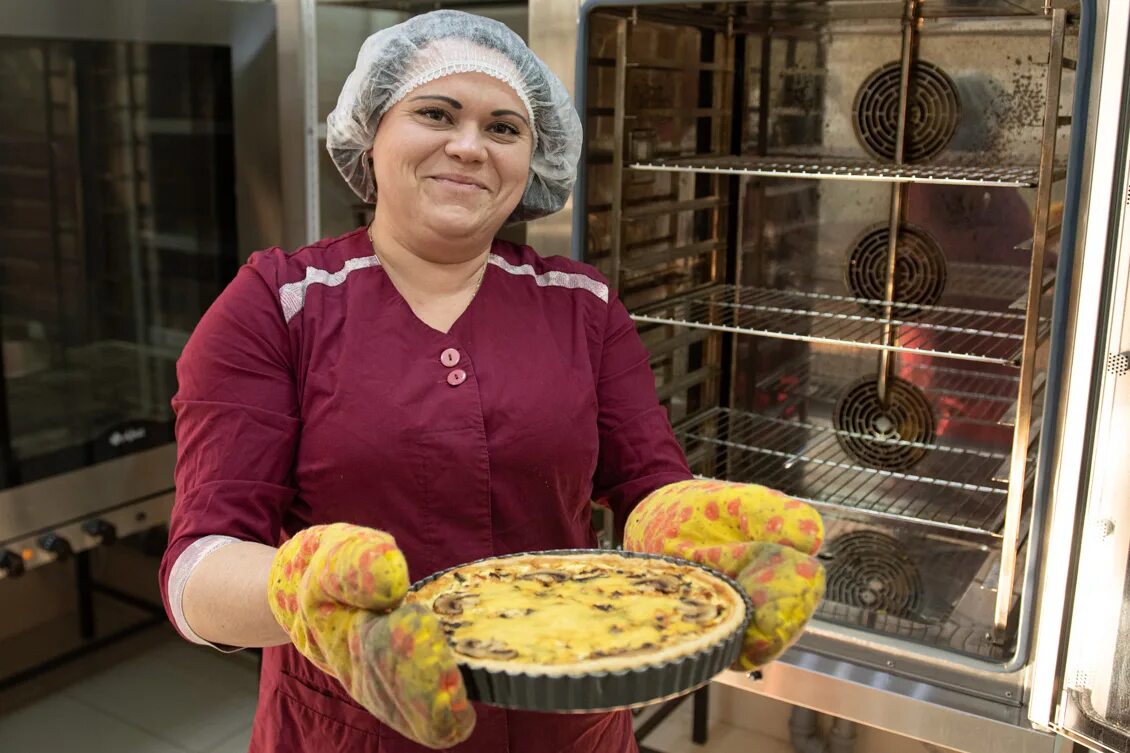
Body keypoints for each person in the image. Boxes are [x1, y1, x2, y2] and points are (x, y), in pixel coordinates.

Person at [158, 10, 825, 752]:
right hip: (359, 730)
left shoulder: (581, 304)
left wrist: (692, 534)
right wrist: (307, 590)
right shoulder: (277, 304)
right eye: (435, 113)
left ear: (533, 158)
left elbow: (647, 483)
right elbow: (197, 571)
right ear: (372, 131)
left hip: (572, 720)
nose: (469, 146)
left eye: (504, 128)